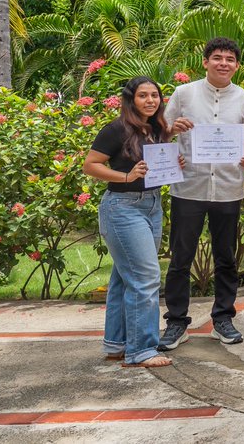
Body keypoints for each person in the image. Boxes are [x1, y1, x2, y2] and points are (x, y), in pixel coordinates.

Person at [159, 37, 244, 350]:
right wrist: (173, 129)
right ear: (205, 62)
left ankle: (223, 319)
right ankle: (176, 323)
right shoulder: (184, 93)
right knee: (181, 258)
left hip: (228, 187)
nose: (224, 63)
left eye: (230, 59)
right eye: (217, 57)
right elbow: (159, 129)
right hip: (189, 185)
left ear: (237, 65)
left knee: (226, 257)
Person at [83, 77, 175, 368]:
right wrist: (126, 176)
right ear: (130, 99)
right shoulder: (116, 129)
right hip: (123, 207)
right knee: (146, 277)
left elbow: (155, 164)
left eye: (155, 95)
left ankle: (117, 344)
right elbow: (91, 165)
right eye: (143, 96)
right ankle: (141, 350)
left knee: (124, 278)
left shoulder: (157, 128)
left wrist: (173, 164)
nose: (150, 100)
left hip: (151, 204)